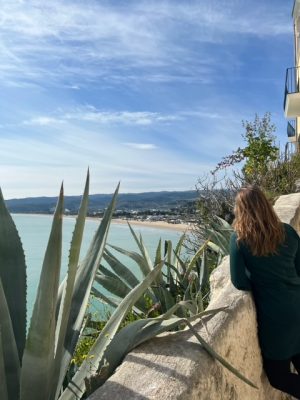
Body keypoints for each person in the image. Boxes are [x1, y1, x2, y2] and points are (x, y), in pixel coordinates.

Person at [230, 185, 300, 399]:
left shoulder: (240, 239)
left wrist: (260, 279)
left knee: (278, 376)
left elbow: (239, 281)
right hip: (297, 304)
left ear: (241, 210)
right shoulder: (287, 231)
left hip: (274, 315)